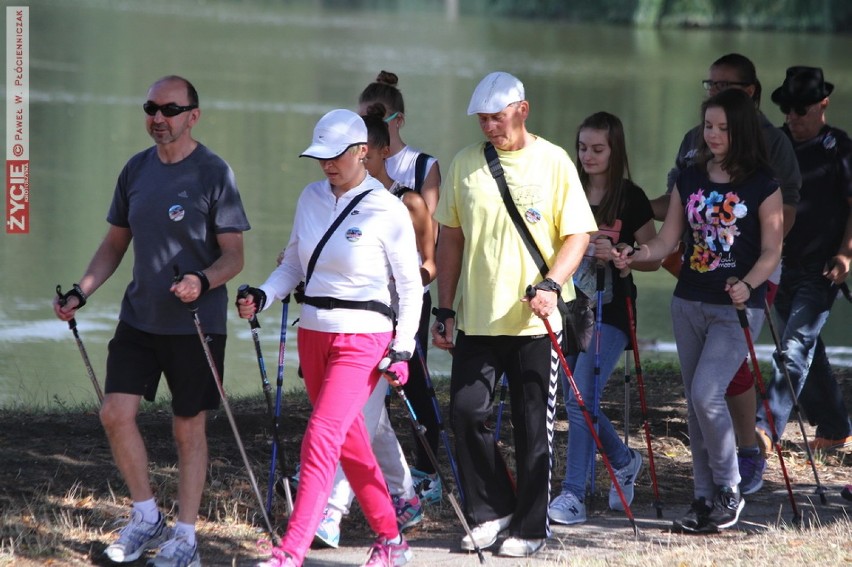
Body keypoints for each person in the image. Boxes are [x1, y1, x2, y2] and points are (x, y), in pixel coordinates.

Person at [53, 75, 250, 567]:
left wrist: (202, 281)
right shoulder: (135, 170)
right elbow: (115, 243)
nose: (158, 118)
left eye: (169, 109)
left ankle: (186, 537)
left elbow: (234, 258)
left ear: (192, 116)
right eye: (151, 108)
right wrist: (82, 290)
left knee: (189, 430)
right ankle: (146, 518)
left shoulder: (213, 173)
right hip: (140, 318)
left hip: (196, 324)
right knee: (114, 414)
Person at [241, 109, 423, 567]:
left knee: (321, 437)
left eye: (335, 155)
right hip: (315, 335)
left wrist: (403, 347)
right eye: (319, 156)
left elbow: (409, 288)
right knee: (350, 441)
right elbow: (294, 265)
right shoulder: (310, 198)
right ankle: (391, 539)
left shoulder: (389, 209)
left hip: (364, 340)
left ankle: (291, 550)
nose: (326, 164)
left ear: (363, 151)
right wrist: (263, 295)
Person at [432, 71, 596, 557]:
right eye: (482, 119)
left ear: (523, 109)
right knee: (465, 414)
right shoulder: (465, 164)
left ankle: (530, 526)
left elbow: (578, 235)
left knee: (533, 429)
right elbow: (451, 239)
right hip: (476, 319)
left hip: (535, 323)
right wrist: (444, 308)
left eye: (497, 117)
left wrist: (552, 284)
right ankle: (491, 510)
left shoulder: (554, 162)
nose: (489, 126)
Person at [614, 88, 783, 534]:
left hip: (735, 307)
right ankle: (703, 498)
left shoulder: (764, 184)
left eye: (723, 128)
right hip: (688, 302)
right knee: (694, 402)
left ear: (741, 130)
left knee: (707, 393)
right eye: (709, 126)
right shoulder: (689, 177)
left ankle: (729, 490)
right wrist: (635, 251)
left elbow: (771, 251)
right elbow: (668, 240)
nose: (713, 134)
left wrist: (748, 285)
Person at [649, 53, 802, 496]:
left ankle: (742, 460)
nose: (714, 94)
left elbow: (780, 221)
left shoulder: (770, 153)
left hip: (747, 283)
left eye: (725, 88)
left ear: (748, 94)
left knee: (717, 383)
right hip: (695, 286)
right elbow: (673, 212)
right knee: (703, 393)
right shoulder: (694, 149)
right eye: (710, 86)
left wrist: (750, 272)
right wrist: (631, 205)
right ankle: (707, 493)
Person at [310, 103, 436, 549]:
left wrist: (390, 303)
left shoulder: (405, 202)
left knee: (349, 422)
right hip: (339, 325)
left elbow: (426, 269)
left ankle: (330, 512)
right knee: (371, 420)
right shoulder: (328, 199)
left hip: (388, 326)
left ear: (372, 151)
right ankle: (404, 499)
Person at [548, 112, 658, 525]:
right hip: (569, 309)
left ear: (615, 151)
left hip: (610, 311)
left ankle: (574, 493)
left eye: (598, 149)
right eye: (582, 148)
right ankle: (624, 459)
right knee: (573, 398)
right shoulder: (566, 190)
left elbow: (654, 256)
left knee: (580, 399)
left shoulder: (631, 198)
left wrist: (623, 257)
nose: (588, 156)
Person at [753, 66, 852, 468]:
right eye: (787, 108)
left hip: (822, 268)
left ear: (823, 103)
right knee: (806, 348)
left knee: (793, 349)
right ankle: (833, 427)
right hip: (778, 264)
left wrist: (846, 254)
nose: (793, 117)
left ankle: (764, 429)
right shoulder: (776, 145)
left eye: (802, 109)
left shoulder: (839, 148)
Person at [358, 70, 445, 504]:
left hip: (409, 293)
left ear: (398, 120)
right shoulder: (353, 163)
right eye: (363, 118)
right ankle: (374, 472)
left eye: (378, 117)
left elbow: (418, 231)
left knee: (413, 380)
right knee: (366, 385)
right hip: (367, 296)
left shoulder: (422, 166)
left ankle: (428, 469)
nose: (369, 126)